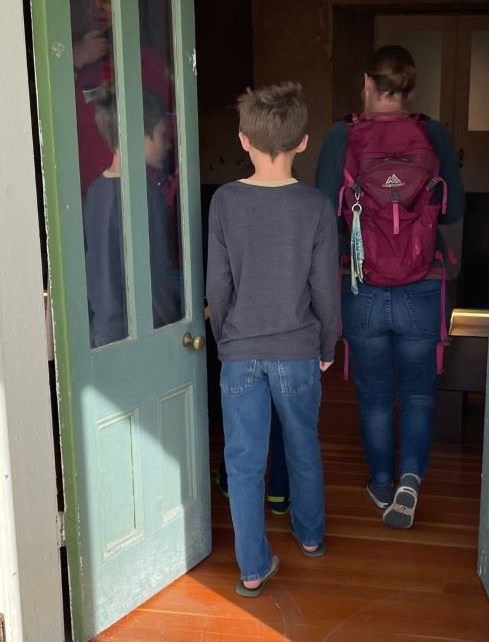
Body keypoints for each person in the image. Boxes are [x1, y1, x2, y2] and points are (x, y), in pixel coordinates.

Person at [315, 45, 464, 529]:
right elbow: (454, 211)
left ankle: (381, 483)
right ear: (409, 89)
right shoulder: (431, 133)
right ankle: (411, 479)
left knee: (375, 393)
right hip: (423, 282)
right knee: (419, 391)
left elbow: (324, 211)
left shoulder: (342, 134)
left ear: (367, 82)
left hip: (362, 284)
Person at [207, 82, 339, 597]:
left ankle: (252, 568)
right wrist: (327, 345)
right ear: (303, 142)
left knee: (243, 459)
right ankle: (310, 535)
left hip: (240, 351)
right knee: (302, 444)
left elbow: (218, 286)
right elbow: (325, 288)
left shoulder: (225, 201)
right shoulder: (315, 206)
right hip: (298, 351)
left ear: (243, 140)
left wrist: (226, 340)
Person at [82, 87, 181, 348]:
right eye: (162, 135)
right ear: (137, 136)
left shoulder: (94, 191)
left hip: (103, 331)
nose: (168, 144)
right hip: (144, 333)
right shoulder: (143, 193)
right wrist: (175, 329)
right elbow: (155, 274)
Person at [71, 0, 172, 198]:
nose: (97, 8)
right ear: (76, 9)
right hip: (82, 193)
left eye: (105, 1)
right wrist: (76, 59)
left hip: (136, 191)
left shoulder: (141, 59)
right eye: (89, 2)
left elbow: (166, 120)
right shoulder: (60, 56)